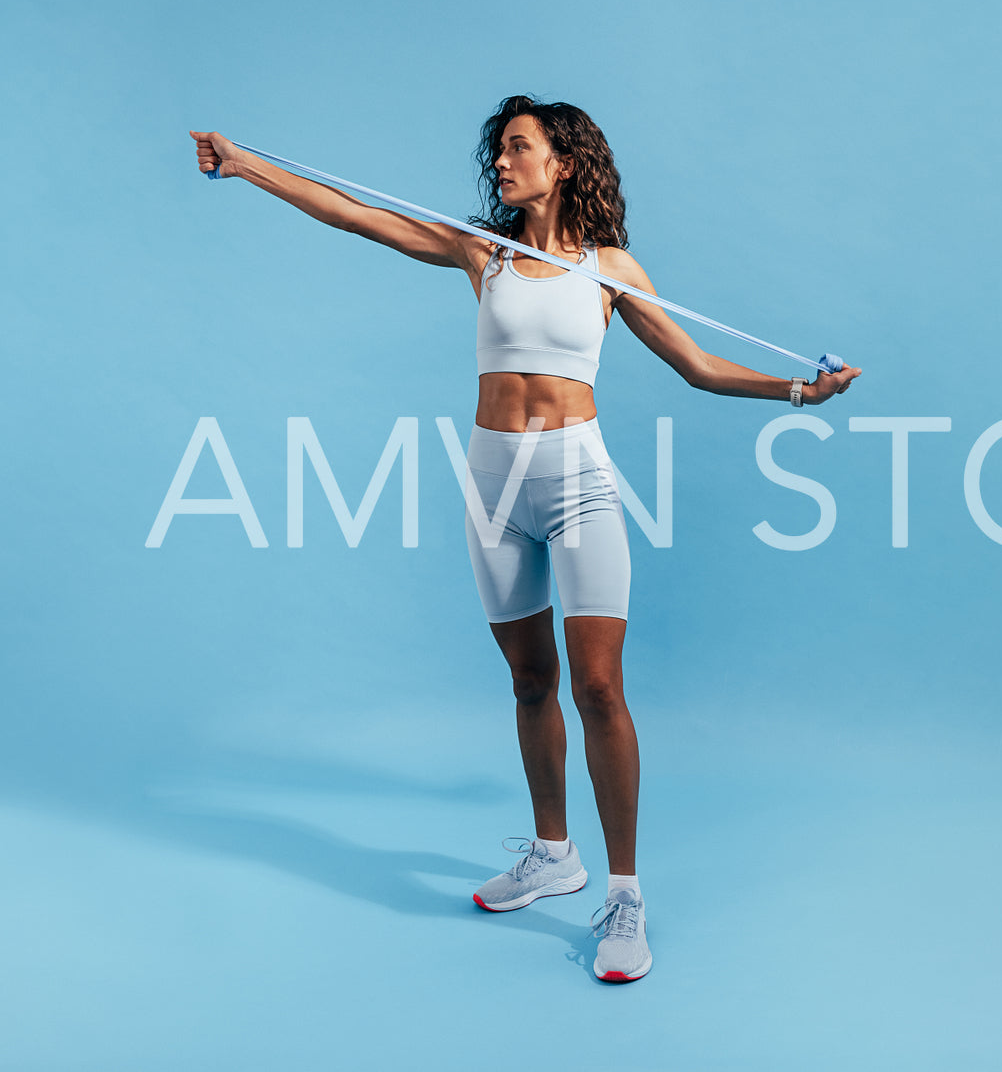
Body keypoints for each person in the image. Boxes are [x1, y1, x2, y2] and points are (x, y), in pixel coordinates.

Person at [189, 96, 861, 982]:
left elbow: (696, 366)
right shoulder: (485, 253)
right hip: (492, 481)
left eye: (517, 149)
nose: (500, 164)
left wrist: (797, 395)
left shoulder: (610, 268)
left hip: (576, 478)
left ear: (563, 162)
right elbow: (357, 214)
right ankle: (555, 855)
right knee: (529, 679)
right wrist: (245, 165)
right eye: (499, 151)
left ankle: (622, 894)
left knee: (597, 688)